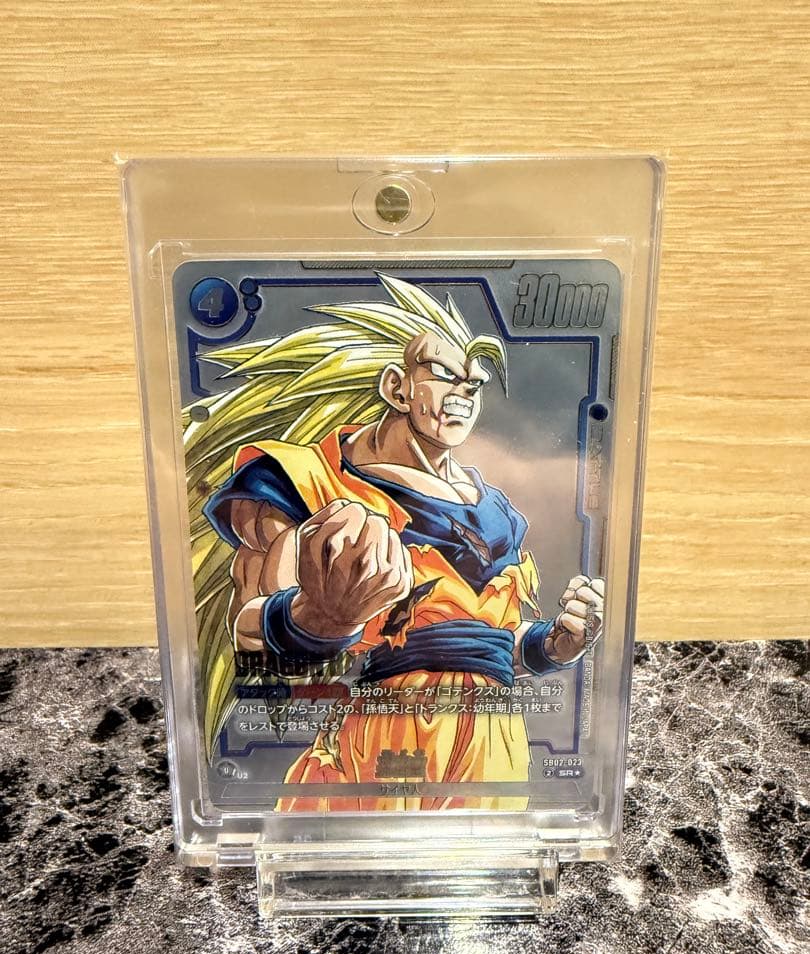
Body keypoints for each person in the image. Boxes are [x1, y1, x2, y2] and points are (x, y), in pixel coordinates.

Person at [186, 274, 603, 810]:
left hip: (495, 756)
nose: (462, 395)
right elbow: (251, 632)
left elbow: (491, 641)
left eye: (473, 384)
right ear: (396, 387)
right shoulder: (308, 483)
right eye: (444, 375)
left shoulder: (496, 512)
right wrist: (319, 618)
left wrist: (554, 644)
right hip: (380, 751)